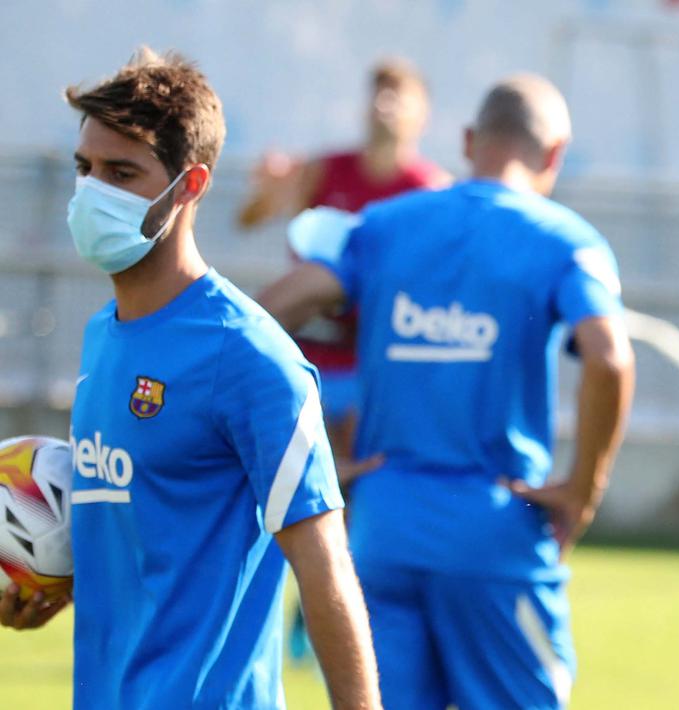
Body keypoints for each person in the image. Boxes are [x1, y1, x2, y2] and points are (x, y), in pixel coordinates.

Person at [0, 49, 381, 709]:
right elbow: (153, 533)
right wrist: (53, 582)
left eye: (122, 173)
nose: (94, 191)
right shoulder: (103, 336)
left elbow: (326, 570)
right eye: (84, 170)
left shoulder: (250, 357)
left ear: (191, 186)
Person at [258, 74, 635, 709]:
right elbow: (609, 357)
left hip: (382, 525)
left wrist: (312, 462)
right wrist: (583, 488)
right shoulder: (564, 240)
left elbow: (261, 325)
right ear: (555, 153)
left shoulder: (381, 226)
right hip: (496, 525)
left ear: (467, 140)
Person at [237, 57, 449, 472]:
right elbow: (249, 219)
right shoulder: (324, 170)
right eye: (378, 92)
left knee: (356, 483)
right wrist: (268, 192)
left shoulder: (432, 192)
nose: (384, 104)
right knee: (296, 479)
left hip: (375, 367)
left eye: (398, 95)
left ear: (423, 115)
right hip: (307, 355)